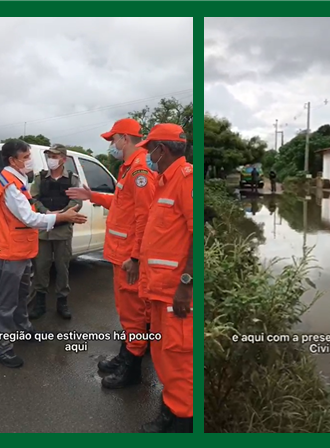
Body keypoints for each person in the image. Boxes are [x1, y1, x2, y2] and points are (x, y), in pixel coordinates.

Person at [66, 118, 156, 389]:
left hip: (129, 256)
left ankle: (131, 370)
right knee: (128, 312)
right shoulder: (128, 168)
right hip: (121, 254)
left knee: (134, 314)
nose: (111, 145)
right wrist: (91, 195)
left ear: (125, 139)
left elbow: (145, 216)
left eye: (113, 139)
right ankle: (126, 355)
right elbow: (120, 202)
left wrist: (137, 257)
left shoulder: (140, 171)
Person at [0, 140, 87, 368]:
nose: (29, 160)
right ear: (13, 160)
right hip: (9, 251)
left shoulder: (19, 178)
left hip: (21, 249)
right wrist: (61, 217)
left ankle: (23, 329)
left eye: (29, 156)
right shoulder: (10, 184)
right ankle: (1, 347)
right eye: (25, 157)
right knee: (6, 302)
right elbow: (29, 217)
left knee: (22, 295)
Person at [135, 123, 193, 433]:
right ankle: (170, 412)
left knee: (180, 361)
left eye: (150, 149)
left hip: (176, 294)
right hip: (159, 291)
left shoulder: (186, 180)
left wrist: (186, 286)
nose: (148, 155)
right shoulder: (163, 182)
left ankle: (182, 423)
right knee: (163, 355)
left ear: (163, 150)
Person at [28, 144, 82, 320]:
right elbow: (33, 198)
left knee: (62, 267)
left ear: (63, 159)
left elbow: (77, 201)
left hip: (62, 231)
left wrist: (62, 214)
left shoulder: (72, 179)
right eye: (50, 155)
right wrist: (46, 212)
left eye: (55, 155)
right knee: (41, 267)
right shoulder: (40, 178)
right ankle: (40, 303)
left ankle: (62, 302)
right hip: (43, 229)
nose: (51, 158)